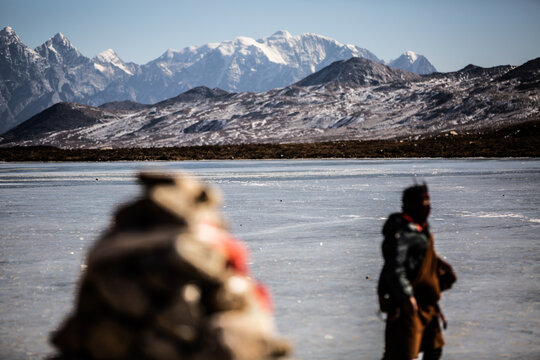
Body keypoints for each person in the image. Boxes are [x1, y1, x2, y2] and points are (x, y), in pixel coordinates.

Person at [377, 183, 456, 360]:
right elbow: (394, 266)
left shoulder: (421, 227)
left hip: (426, 302)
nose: (428, 205)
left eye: (428, 200)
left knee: (434, 349)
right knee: (400, 354)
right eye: (423, 201)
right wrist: (406, 296)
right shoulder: (401, 231)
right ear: (410, 205)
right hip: (407, 304)